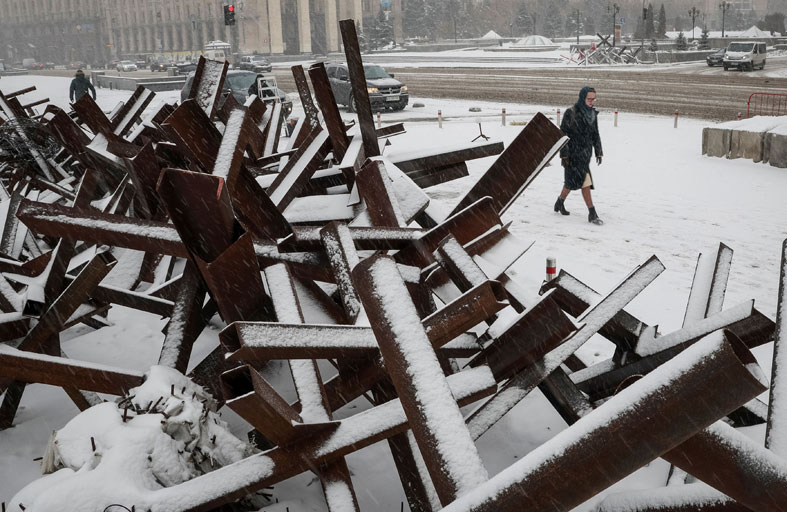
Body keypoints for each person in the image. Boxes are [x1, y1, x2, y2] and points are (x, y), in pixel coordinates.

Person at [554, 86, 604, 225]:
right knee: (582, 183)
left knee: (575, 183)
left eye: (594, 99)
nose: (592, 102)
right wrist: (564, 155)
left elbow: (595, 134)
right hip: (572, 154)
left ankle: (560, 202)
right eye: (589, 99)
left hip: (585, 155)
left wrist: (598, 151)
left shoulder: (593, 114)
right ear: (582, 97)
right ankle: (592, 213)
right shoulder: (571, 112)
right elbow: (563, 134)